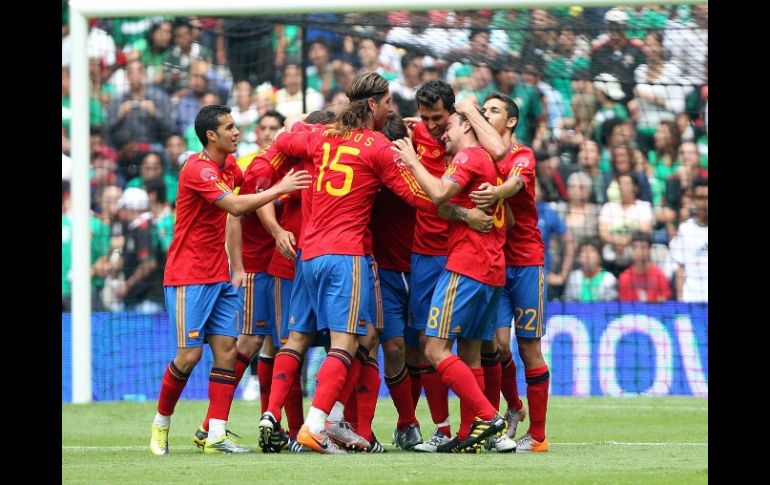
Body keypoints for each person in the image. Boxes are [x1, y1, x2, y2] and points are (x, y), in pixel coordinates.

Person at [261, 73, 485, 455]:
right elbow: (421, 197)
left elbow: (280, 142)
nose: (390, 109)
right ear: (371, 105)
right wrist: (461, 210)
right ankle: (318, 425)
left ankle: (281, 418)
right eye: (386, 103)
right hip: (346, 255)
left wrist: (267, 175)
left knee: (296, 340)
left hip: (308, 256)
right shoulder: (377, 146)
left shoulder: (319, 136)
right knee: (348, 343)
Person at [149, 104, 311, 456]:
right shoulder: (197, 168)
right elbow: (236, 207)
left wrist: (236, 267)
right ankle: (161, 423)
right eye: (230, 127)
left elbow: (233, 217)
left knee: (226, 352)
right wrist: (280, 187)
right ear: (212, 135)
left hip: (221, 275)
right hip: (188, 275)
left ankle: (216, 435)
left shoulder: (230, 168)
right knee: (189, 355)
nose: (237, 132)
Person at [392, 109, 509, 453]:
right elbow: (447, 205)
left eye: (449, 126)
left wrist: (412, 159)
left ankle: (488, 417)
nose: (442, 133)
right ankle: (467, 434)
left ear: (468, 125)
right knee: (470, 353)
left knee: (434, 347)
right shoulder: (487, 159)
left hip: (466, 266)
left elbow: (440, 195)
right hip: (491, 268)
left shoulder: (469, 157)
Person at [462, 92, 553, 452]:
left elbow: (515, 185)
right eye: (483, 110)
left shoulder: (522, 155)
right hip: (494, 261)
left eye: (494, 111)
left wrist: (495, 192)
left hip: (527, 260)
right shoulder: (479, 156)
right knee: (495, 345)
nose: (486, 115)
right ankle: (512, 408)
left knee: (529, 346)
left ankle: (540, 436)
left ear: (511, 121)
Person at [669, 177, 707, 302]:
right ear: (694, 200)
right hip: (691, 300)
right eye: (700, 198)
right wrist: (680, 300)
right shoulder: (685, 229)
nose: (705, 203)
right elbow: (680, 268)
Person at [618, 231, 672, 302]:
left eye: (643, 247)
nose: (639, 252)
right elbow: (625, 306)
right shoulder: (624, 277)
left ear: (649, 249)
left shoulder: (659, 275)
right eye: (635, 247)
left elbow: (665, 301)